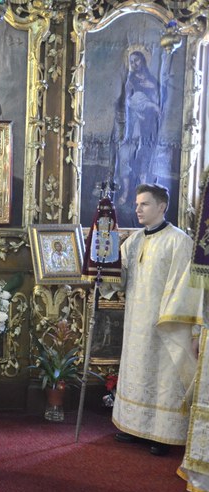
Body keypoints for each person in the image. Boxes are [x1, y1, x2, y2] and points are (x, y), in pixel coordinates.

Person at [101, 183, 202, 456]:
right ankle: (134, 427)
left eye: (144, 204)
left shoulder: (179, 241)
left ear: (161, 206)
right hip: (136, 322)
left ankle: (163, 434)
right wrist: (103, 266)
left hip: (166, 323)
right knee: (136, 371)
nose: (138, 209)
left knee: (163, 378)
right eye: (136, 204)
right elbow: (120, 279)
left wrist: (178, 323)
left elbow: (188, 287)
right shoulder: (133, 241)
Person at [111, 50, 160, 207]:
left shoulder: (153, 82)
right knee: (125, 158)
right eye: (131, 61)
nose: (134, 64)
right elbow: (126, 101)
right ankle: (125, 192)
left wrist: (152, 92)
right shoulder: (130, 80)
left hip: (147, 128)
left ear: (143, 61)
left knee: (143, 160)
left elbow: (158, 105)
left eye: (136, 60)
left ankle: (142, 197)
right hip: (132, 126)